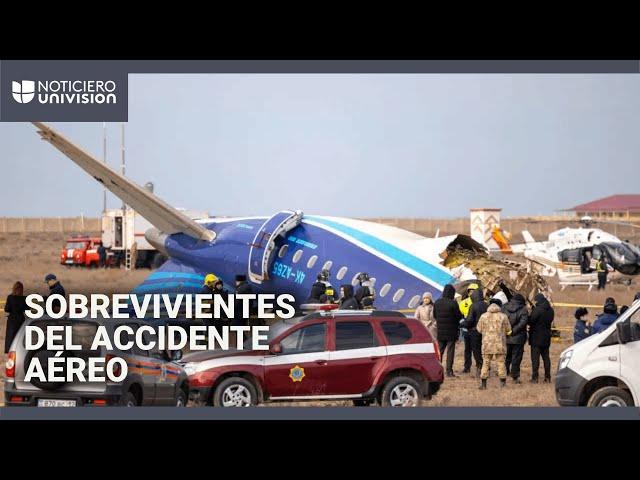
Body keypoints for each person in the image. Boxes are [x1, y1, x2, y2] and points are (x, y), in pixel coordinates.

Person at [476, 298, 511, 390]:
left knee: (486, 363)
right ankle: (502, 384)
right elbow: (508, 329)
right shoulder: (503, 316)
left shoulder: (483, 316)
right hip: (500, 344)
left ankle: (483, 385)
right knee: (501, 363)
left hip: (487, 344)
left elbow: (479, 329)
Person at [433, 284, 462, 377]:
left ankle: (437, 370)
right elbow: (458, 316)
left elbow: (434, 316)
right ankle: (449, 371)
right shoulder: (453, 303)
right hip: (451, 331)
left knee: (440, 351)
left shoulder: (437, 302)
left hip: (440, 331)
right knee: (450, 351)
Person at [528, 293, 554, 383]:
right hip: (546, 337)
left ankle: (535, 378)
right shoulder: (551, 310)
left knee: (535, 359)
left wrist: (531, 312)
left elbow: (531, 321)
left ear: (538, 300)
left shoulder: (537, 310)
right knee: (546, 358)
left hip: (536, 337)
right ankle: (548, 377)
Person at [502, 293, 528, 383]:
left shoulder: (504, 307)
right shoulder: (523, 309)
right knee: (516, 357)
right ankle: (515, 377)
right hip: (518, 338)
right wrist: (513, 331)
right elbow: (523, 322)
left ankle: (504, 373)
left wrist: (507, 330)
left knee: (506, 356)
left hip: (506, 336)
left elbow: (502, 320)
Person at [461, 286, 486, 376]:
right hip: (486, 332)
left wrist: (462, 324)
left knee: (476, 350)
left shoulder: (473, 306)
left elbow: (470, 320)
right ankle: (486, 367)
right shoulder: (486, 304)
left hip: (474, 331)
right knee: (484, 350)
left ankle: (480, 366)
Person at [459, 283, 479, 373]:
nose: (471, 293)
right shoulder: (463, 302)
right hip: (466, 329)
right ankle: (467, 367)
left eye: (474, 291)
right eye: (470, 291)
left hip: (477, 329)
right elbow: (461, 315)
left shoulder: (481, 303)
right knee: (467, 349)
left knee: (477, 348)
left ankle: (480, 365)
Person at [4, 282, 27, 353]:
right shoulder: (23, 298)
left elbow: (6, 309)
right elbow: (25, 309)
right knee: (19, 337)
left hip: (12, 320)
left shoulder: (10, 297)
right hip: (20, 320)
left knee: (11, 338)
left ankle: (10, 352)